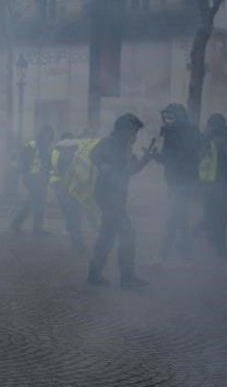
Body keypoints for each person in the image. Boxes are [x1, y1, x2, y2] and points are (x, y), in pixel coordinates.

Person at [87, 114, 152, 288]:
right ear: (124, 130)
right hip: (108, 196)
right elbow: (94, 155)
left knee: (107, 236)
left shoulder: (126, 147)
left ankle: (95, 274)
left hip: (116, 197)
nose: (135, 136)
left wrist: (145, 160)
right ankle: (127, 278)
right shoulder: (110, 143)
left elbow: (130, 171)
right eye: (134, 131)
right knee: (127, 234)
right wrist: (103, 165)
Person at [154, 103, 201, 262]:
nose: (167, 119)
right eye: (166, 116)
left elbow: (178, 158)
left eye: (171, 116)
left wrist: (159, 158)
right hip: (179, 181)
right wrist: (157, 157)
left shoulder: (180, 132)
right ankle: (187, 254)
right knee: (181, 218)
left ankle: (163, 255)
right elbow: (170, 159)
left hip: (183, 181)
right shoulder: (177, 130)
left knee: (175, 218)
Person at [11, 125, 55, 235]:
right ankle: (37, 230)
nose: (47, 136)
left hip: (41, 178)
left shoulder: (47, 147)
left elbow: (48, 164)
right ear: (41, 134)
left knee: (31, 203)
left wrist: (47, 175)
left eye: (49, 134)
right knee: (39, 203)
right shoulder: (32, 145)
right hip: (32, 178)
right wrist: (27, 173)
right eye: (46, 133)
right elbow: (24, 161)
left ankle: (16, 223)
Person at [198, 114, 227, 261]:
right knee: (212, 216)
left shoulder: (225, 140)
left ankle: (219, 247)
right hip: (209, 184)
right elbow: (199, 159)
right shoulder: (206, 139)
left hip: (219, 184)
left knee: (219, 217)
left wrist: (224, 145)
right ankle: (215, 244)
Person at [50, 134, 87, 253]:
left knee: (73, 215)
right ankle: (77, 244)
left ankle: (75, 239)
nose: (72, 150)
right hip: (65, 189)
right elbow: (63, 174)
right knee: (74, 216)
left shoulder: (70, 157)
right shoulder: (62, 158)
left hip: (69, 189)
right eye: (70, 148)